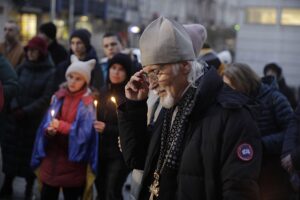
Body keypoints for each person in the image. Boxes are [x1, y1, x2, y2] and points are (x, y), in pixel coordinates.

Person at [118, 16, 262, 200]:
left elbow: (239, 191)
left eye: (156, 72)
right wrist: (134, 107)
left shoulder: (232, 117)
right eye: (147, 74)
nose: (152, 84)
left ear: (185, 65)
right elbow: (139, 159)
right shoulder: (172, 105)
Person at [223, 63, 295, 200]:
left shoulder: (275, 98)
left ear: (243, 82)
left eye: (231, 86)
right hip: (246, 176)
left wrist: (260, 144)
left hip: (272, 175)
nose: (228, 91)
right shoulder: (235, 102)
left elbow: (291, 133)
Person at [31, 55, 99, 200]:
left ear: (85, 81)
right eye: (70, 77)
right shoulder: (58, 97)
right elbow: (47, 124)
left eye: (78, 78)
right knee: (47, 194)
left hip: (73, 164)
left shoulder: (87, 103)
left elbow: (85, 135)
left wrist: (61, 126)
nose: (72, 81)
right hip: (51, 160)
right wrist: (49, 131)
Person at [0, 36, 55, 199]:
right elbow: (14, 86)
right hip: (15, 120)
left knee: (30, 157)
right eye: (29, 50)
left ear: (42, 52)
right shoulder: (22, 67)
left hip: (32, 122)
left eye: (34, 51)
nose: (31, 54)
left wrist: (26, 111)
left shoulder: (50, 72)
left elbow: (45, 98)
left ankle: (28, 188)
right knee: (10, 154)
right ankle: (7, 184)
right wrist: (15, 106)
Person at [94, 53, 131, 200]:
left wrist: (107, 129)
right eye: (113, 68)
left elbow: (129, 128)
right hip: (100, 152)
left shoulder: (130, 95)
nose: (116, 72)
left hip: (118, 155)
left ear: (127, 73)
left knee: (112, 192)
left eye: (121, 69)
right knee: (101, 191)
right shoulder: (102, 92)